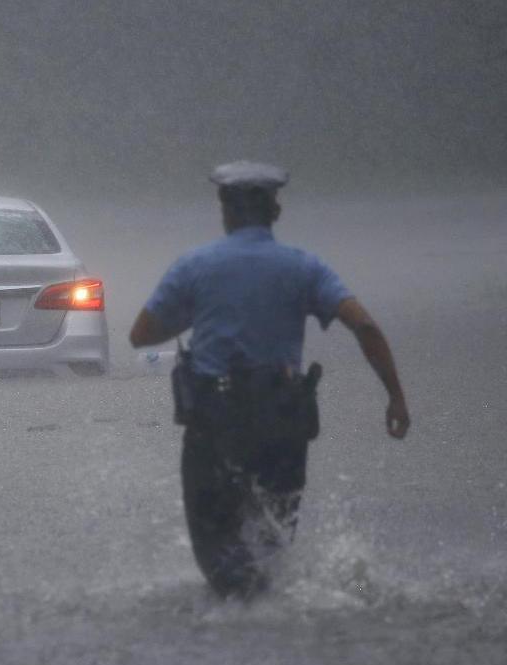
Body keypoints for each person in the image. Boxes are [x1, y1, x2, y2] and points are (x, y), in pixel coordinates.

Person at [129, 160, 410, 598]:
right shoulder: (305, 267)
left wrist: (198, 313)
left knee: (218, 556)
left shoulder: (194, 266)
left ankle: (233, 620)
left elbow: (141, 335)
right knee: (272, 548)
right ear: (275, 211)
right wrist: (395, 398)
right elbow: (366, 327)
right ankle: (291, 611)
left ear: (224, 211)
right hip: (282, 425)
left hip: (214, 426)